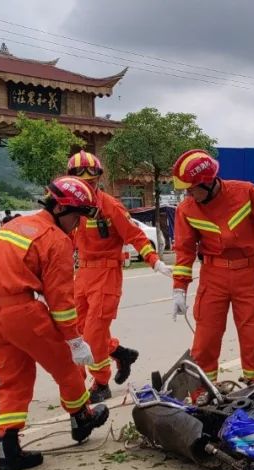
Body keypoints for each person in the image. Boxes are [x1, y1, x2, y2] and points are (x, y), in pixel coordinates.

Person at [0, 176, 109, 470]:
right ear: (60, 209)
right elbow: (60, 301)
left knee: (12, 379)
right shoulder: (55, 240)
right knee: (66, 366)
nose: (79, 224)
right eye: (77, 216)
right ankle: (82, 418)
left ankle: (9, 450)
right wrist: (74, 341)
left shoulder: (12, 228)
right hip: (23, 312)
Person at [170, 149, 254, 387]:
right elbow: (184, 251)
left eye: (192, 189)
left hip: (247, 272)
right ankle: (202, 393)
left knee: (253, 334)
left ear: (208, 182)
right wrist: (179, 289)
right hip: (213, 275)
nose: (188, 194)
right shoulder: (187, 210)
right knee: (206, 338)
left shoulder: (245, 192)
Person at [66, 151, 172, 404]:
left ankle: (100, 382)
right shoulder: (71, 209)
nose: (87, 187)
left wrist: (154, 260)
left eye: (91, 182)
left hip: (106, 274)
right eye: (81, 182)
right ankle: (118, 352)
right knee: (75, 331)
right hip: (82, 274)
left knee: (92, 333)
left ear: (98, 180)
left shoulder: (110, 206)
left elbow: (134, 236)